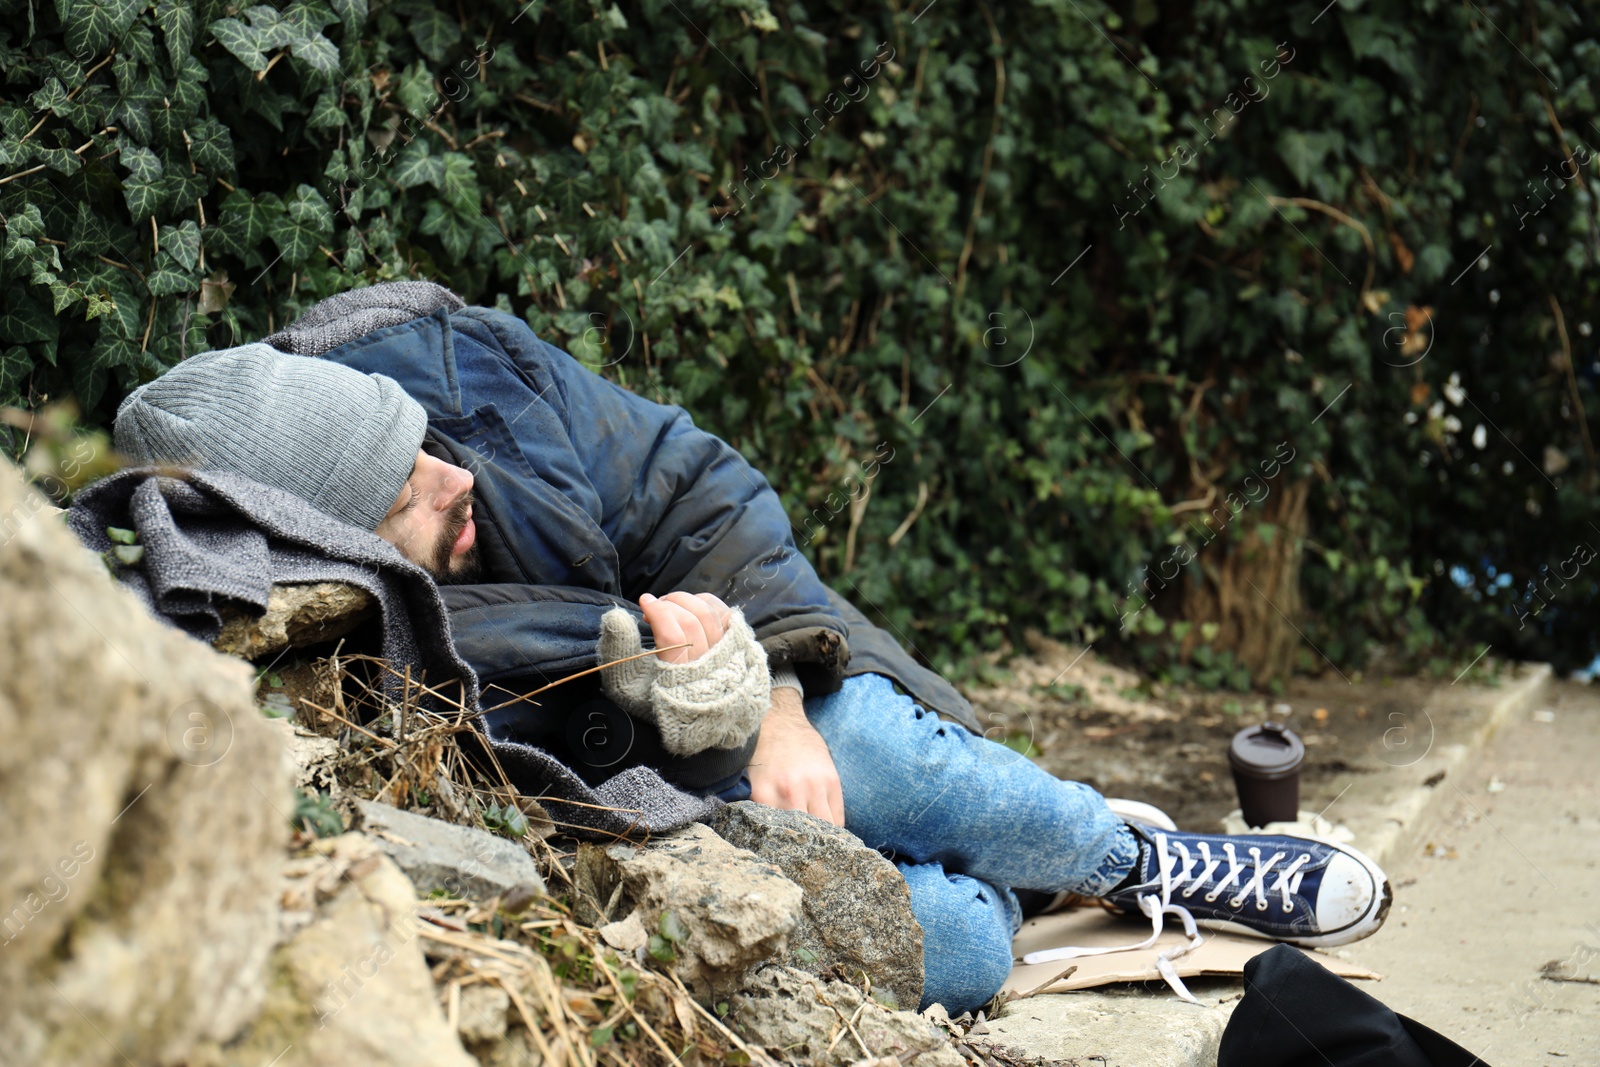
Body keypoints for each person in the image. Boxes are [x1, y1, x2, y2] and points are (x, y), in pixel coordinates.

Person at [109, 283, 1391, 1013]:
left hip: (755, 697)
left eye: (426, 442)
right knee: (963, 950)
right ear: (338, 544)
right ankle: (1026, 871)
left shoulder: (462, 369)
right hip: (639, 810)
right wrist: (643, 687)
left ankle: (1143, 854)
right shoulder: (313, 622)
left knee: (880, 755)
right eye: (409, 493)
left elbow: (695, 491)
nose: (454, 478)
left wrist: (767, 687)